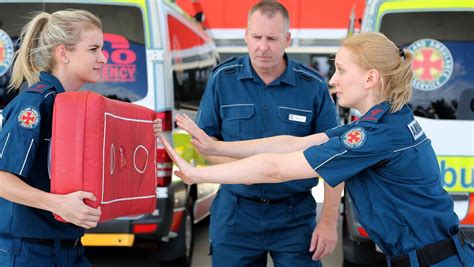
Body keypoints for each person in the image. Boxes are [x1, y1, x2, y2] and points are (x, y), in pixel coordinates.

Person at [158, 32, 474, 267]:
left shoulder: (374, 135)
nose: (333, 80)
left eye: (340, 70)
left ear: (370, 78)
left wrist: (197, 172)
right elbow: (292, 143)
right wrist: (216, 146)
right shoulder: (383, 121)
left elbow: (274, 168)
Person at [180, 1, 342, 266]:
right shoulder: (222, 79)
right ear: (246, 35)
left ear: (287, 39)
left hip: (294, 216)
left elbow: (335, 157)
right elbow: (206, 144)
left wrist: (328, 222)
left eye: (272, 38)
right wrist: (249, 172)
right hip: (235, 215)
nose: (263, 46)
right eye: (256, 37)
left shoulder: (312, 86)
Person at [0, 10, 106, 266]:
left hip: (69, 249)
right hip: (28, 253)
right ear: (63, 53)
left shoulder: (74, 107)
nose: (102, 58)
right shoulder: (35, 105)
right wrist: (58, 204)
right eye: (93, 49)